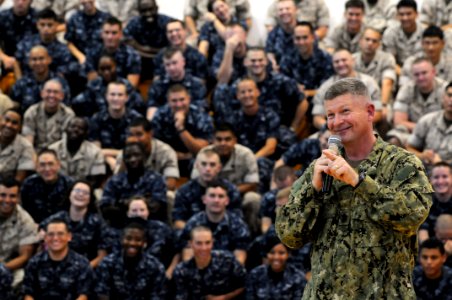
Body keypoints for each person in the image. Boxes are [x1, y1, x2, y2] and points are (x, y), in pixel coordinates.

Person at [276, 78, 433, 298]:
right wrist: (312, 191)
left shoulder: (402, 164)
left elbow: (412, 216)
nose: (337, 121)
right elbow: (290, 236)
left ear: (370, 112)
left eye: (345, 111)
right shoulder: (319, 168)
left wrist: (359, 182)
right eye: (330, 115)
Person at [38, 180, 110, 268]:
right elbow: (41, 231)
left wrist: (84, 270)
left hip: (86, 268)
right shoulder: (57, 218)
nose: (80, 194)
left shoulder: (97, 222)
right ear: (69, 194)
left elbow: (102, 256)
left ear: (90, 199)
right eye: (77, 191)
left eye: (85, 193)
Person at [179, 181, 250, 265]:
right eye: (212, 196)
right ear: (204, 199)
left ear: (227, 201)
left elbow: (239, 261)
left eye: (221, 196)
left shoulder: (238, 225)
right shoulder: (193, 224)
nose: (216, 200)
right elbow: (188, 259)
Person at [95, 218, 167, 299]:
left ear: (144, 243)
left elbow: (157, 296)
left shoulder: (155, 267)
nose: (132, 243)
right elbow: (102, 294)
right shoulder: (107, 264)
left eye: (138, 240)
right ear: (121, 239)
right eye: (128, 238)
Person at [22, 219, 94, 300]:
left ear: (69, 237)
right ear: (45, 238)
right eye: (51, 234)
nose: (55, 238)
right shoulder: (34, 262)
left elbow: (83, 296)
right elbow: (28, 295)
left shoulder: (82, 264)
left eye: (60, 234)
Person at [172, 226, 246, 299]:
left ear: (212, 243)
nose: (204, 248)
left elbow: (245, 284)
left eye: (207, 243)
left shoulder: (227, 260)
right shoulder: (181, 271)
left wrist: (223, 297)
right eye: (199, 243)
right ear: (190, 244)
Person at [0, 177, 39, 287]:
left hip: (7, 266)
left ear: (18, 198)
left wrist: (3, 268)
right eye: (2, 195)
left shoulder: (25, 221)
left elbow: (24, 256)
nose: (7, 200)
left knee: (21, 277)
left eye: (12, 196)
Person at [246, 234, 307, 299]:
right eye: (272, 252)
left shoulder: (298, 277)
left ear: (288, 254)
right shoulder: (255, 274)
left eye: (281, 253)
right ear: (267, 254)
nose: (276, 257)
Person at [21, 149, 74, 223]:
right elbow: (24, 212)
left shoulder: (69, 185)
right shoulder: (29, 184)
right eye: (42, 165)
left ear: (58, 165)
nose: (47, 169)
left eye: (51, 164)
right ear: (37, 167)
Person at [49, 116, 106, 186]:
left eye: (80, 128)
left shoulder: (95, 152)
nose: (75, 130)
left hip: (83, 191)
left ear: (86, 133)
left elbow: (96, 180)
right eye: (72, 127)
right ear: (66, 129)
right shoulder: (52, 150)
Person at [22, 78, 75, 151]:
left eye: (55, 92)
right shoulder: (32, 112)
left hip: (58, 154)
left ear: (61, 96)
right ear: (42, 94)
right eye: (48, 91)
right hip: (35, 153)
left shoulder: (68, 114)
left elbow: (65, 144)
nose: (52, 95)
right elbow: (28, 143)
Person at [406, 82, 452, 165]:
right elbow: (409, 148)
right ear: (443, 97)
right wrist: (422, 155)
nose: (451, 100)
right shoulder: (427, 121)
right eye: (449, 95)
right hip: (426, 172)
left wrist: (442, 163)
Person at [418, 162, 452, 242]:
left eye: (445, 176)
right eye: (436, 177)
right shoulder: (425, 201)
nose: (440, 181)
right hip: (433, 245)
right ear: (430, 180)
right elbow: (423, 230)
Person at [0, 108, 35, 182]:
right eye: (6, 120)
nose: (9, 125)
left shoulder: (26, 147)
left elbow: (19, 180)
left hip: (7, 189)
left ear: (20, 127)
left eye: (14, 123)